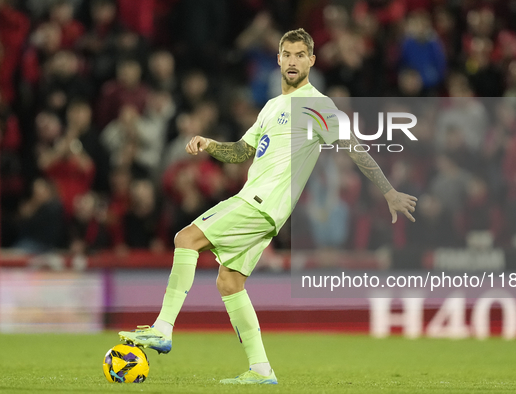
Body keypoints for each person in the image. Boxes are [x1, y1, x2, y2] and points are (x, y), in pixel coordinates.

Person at [118, 28, 417, 385]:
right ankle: (261, 370)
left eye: (300, 55)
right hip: (265, 210)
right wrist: (210, 144)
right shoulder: (272, 106)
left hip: (259, 202)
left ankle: (163, 328)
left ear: (311, 61)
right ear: (278, 59)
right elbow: (242, 152)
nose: (292, 61)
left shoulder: (317, 105)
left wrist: (388, 191)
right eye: (286, 54)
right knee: (229, 282)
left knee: (186, 239)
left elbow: (354, 146)